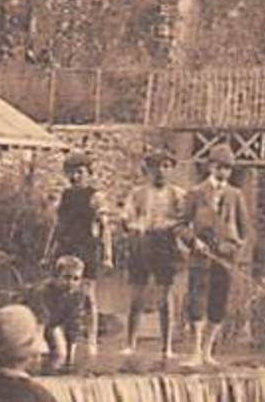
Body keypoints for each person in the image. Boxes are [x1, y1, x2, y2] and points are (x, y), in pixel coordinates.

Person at [181, 143, 250, 367]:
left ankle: (208, 352)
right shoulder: (196, 193)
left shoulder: (236, 195)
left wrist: (233, 246)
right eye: (219, 167)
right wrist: (193, 241)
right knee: (196, 303)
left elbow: (245, 230)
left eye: (228, 169)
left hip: (225, 259)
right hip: (200, 258)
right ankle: (195, 353)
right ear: (211, 167)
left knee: (218, 304)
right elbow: (180, 225)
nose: (223, 173)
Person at [120, 147, 186, 361]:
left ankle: (166, 347)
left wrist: (172, 227)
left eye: (165, 166)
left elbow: (185, 219)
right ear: (148, 169)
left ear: (172, 169)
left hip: (165, 245)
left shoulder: (178, 194)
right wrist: (131, 225)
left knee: (165, 297)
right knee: (136, 296)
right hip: (142, 244)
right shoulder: (137, 193)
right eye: (155, 166)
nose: (160, 171)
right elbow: (126, 216)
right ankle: (130, 343)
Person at [44, 151, 110, 361]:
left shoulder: (95, 196)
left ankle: (90, 340)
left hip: (87, 248)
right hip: (65, 248)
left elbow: (105, 227)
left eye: (80, 172)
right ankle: (61, 337)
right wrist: (47, 253)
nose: (76, 177)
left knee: (88, 296)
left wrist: (108, 255)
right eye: (71, 173)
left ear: (88, 173)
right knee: (60, 293)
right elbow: (57, 226)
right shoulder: (66, 195)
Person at [29, 255, 95, 371]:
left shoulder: (78, 294)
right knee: (37, 352)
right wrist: (36, 354)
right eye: (66, 277)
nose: (70, 283)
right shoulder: (43, 292)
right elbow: (39, 325)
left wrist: (70, 360)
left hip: (52, 323)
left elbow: (74, 325)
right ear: (56, 277)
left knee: (60, 355)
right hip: (28, 321)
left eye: (76, 279)